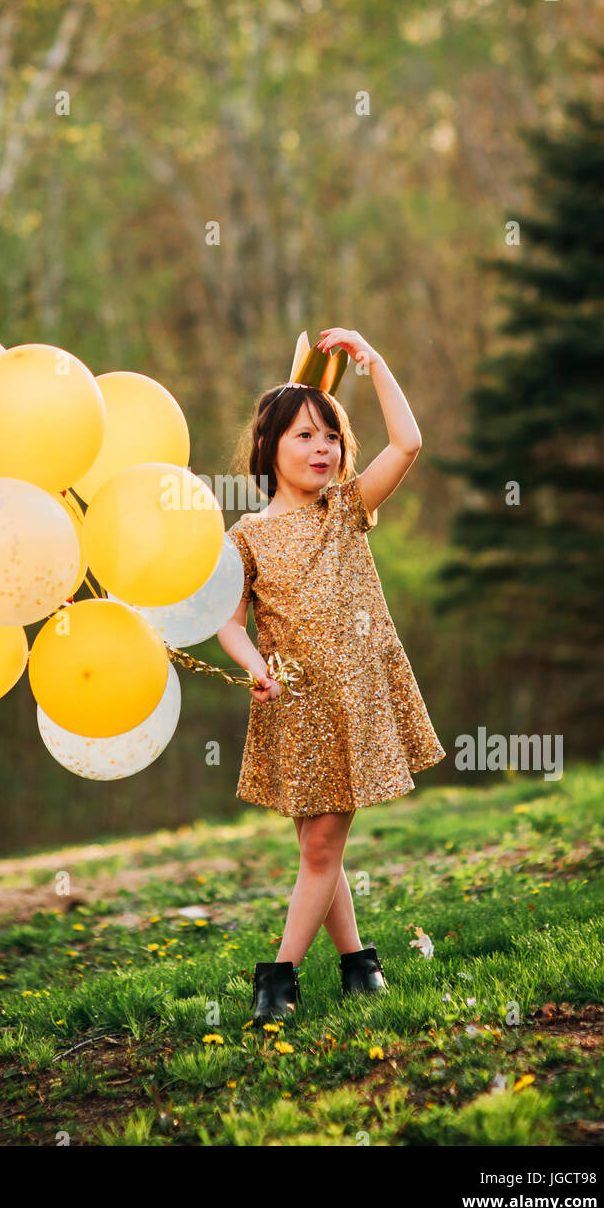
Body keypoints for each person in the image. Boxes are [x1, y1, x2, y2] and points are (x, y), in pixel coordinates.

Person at [216, 327, 446, 1026]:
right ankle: (357, 965)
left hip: (356, 696)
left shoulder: (347, 509)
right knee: (319, 845)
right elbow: (228, 622)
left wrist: (373, 362)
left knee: (321, 845)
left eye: (332, 438)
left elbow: (405, 444)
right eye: (305, 437)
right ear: (269, 450)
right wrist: (255, 666)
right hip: (294, 704)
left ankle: (277, 977)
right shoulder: (245, 536)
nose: (323, 449)